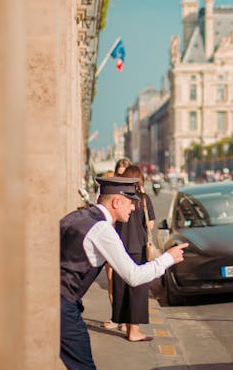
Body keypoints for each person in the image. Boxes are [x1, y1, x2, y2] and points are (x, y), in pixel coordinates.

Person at [60, 175, 187, 370]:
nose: (134, 208)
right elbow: (133, 276)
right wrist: (168, 258)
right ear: (116, 202)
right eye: (131, 202)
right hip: (62, 304)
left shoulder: (76, 217)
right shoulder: (103, 229)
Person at [110, 165, 156, 342]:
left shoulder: (119, 198)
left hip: (119, 247)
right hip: (138, 248)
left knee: (122, 288)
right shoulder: (143, 199)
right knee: (137, 289)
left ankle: (127, 327)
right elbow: (150, 224)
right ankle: (134, 331)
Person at [103, 156, 132, 330]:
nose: (121, 179)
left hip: (128, 242)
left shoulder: (132, 195)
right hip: (110, 238)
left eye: (124, 175)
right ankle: (116, 317)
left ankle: (127, 318)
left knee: (127, 279)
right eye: (118, 174)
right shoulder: (111, 190)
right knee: (112, 279)